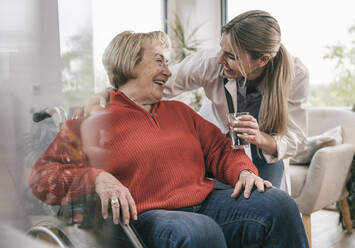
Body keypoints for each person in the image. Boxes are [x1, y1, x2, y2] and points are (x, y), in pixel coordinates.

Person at [29, 30, 308, 248]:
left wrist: (244, 171)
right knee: (199, 230)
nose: (168, 70)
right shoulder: (90, 122)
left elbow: (221, 150)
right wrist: (97, 178)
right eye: (159, 61)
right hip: (145, 216)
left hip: (205, 202)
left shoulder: (180, 112)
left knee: (279, 205)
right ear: (130, 64)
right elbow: (43, 178)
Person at [84, 10, 309, 189]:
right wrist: (108, 94)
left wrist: (258, 137)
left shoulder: (296, 75)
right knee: (221, 194)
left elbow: (295, 139)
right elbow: (157, 84)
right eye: (222, 49)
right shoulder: (210, 61)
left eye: (231, 56)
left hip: (265, 149)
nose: (220, 59)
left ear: (262, 60)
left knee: (268, 198)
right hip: (218, 140)